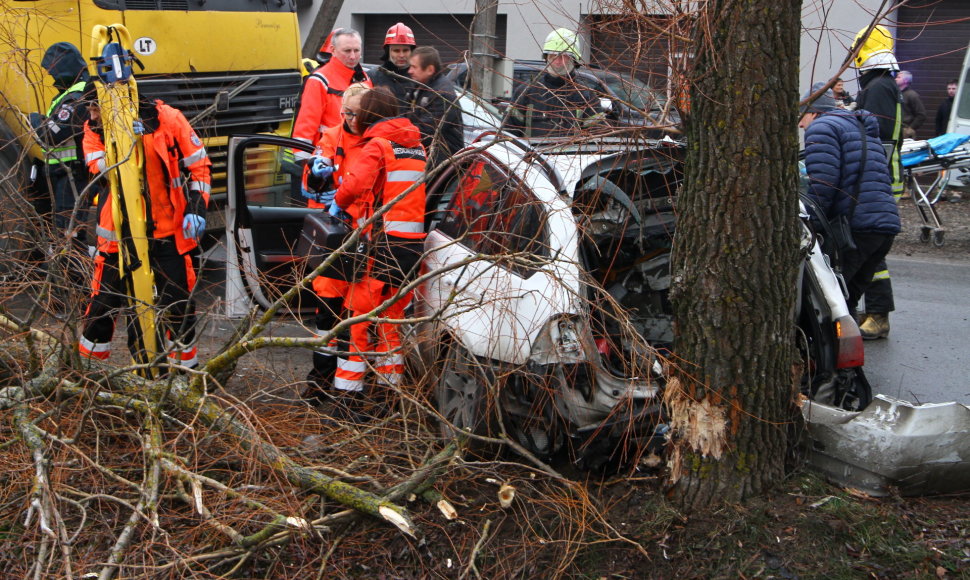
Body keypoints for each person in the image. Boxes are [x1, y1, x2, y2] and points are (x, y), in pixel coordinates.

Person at [316, 87, 427, 418]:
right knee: (391, 324)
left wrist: (337, 204)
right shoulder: (417, 148)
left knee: (357, 321)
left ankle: (347, 400)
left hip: (378, 247)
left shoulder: (377, 146)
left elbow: (355, 184)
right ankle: (390, 400)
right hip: (409, 248)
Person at [78, 97, 211, 370]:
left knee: (178, 309)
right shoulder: (94, 129)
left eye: (95, 108)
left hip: (167, 232)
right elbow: (100, 170)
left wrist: (197, 209)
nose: (92, 115)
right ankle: (86, 377)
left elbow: (199, 167)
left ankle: (184, 376)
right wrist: (122, 140)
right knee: (102, 310)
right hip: (118, 236)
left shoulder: (168, 119)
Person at [799, 82, 901, 317]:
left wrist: (810, 223)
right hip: (885, 226)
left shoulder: (822, 129)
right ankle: (848, 351)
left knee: (830, 304)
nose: (801, 124)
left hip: (857, 227)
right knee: (847, 301)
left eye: (801, 117)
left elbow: (824, 185)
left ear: (813, 112)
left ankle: (832, 353)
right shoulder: (859, 127)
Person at [300, 83, 369, 405]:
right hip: (334, 235)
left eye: (357, 113)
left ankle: (349, 390)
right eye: (347, 113)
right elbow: (311, 184)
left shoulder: (377, 141)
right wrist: (317, 176)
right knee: (326, 316)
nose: (351, 119)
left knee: (354, 320)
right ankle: (320, 381)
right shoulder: (332, 137)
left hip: (364, 237)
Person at [852, 24, 904, 340]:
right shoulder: (880, 86)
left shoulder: (878, 89)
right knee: (871, 250)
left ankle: (878, 315)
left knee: (871, 251)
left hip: (877, 181)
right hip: (878, 179)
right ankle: (872, 311)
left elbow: (876, 137)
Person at [290, 29, 371, 164]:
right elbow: (306, 124)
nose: (352, 56)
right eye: (347, 51)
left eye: (356, 51)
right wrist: (303, 162)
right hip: (326, 156)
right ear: (333, 50)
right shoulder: (319, 80)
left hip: (356, 156)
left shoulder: (364, 79)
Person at [507, 28, 602, 139]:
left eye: (563, 57)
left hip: (571, 156)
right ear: (546, 58)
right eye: (553, 56)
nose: (557, 62)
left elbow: (597, 137)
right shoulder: (526, 91)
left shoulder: (586, 96)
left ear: (574, 60)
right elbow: (508, 133)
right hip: (533, 155)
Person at [406, 46, 464, 172]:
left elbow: (426, 132)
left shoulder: (442, 94)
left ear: (430, 69)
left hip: (443, 167)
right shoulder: (421, 87)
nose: (409, 71)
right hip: (431, 159)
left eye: (414, 67)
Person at [367, 22, 417, 109]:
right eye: (396, 50)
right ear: (388, 52)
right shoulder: (372, 77)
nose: (401, 55)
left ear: (412, 51)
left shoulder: (418, 77)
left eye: (405, 50)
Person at [896, 70, 927, 139]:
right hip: (895, 130)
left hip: (905, 131)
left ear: (905, 80)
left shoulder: (912, 95)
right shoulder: (896, 94)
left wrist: (911, 128)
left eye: (898, 77)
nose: (895, 79)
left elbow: (921, 114)